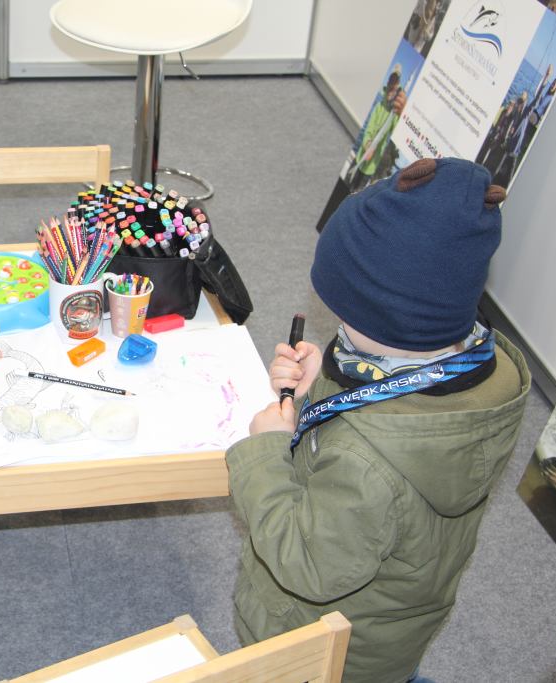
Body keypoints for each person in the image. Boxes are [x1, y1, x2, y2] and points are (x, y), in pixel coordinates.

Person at [226, 158, 530, 683]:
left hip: (330, 653)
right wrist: (332, 376)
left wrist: (265, 451)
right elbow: (386, 395)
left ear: (386, 313)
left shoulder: (367, 466)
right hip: (390, 628)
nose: (337, 323)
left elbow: (305, 561)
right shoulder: (483, 367)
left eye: (345, 313)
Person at [346, 66, 407, 192]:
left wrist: (402, 114)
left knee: (356, 195)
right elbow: (369, 128)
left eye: (395, 82)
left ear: (398, 86)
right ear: (388, 82)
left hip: (371, 168)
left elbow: (397, 133)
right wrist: (367, 144)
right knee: (345, 185)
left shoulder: (395, 113)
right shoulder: (379, 105)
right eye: (391, 80)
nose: (392, 85)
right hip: (359, 158)